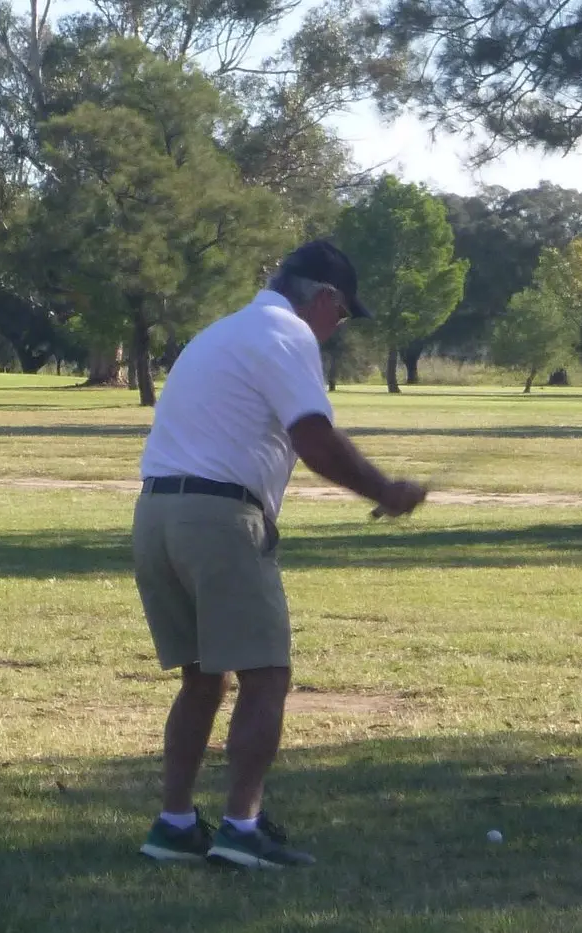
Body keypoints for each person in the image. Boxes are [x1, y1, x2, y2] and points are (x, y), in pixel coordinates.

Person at [132, 240, 428, 869]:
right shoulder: (287, 335)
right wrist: (384, 490)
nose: (336, 329)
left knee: (203, 677)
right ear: (324, 297)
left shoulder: (221, 331)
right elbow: (313, 437)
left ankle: (175, 823)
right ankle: (241, 828)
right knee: (266, 675)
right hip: (218, 517)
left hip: (156, 512)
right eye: (342, 315)